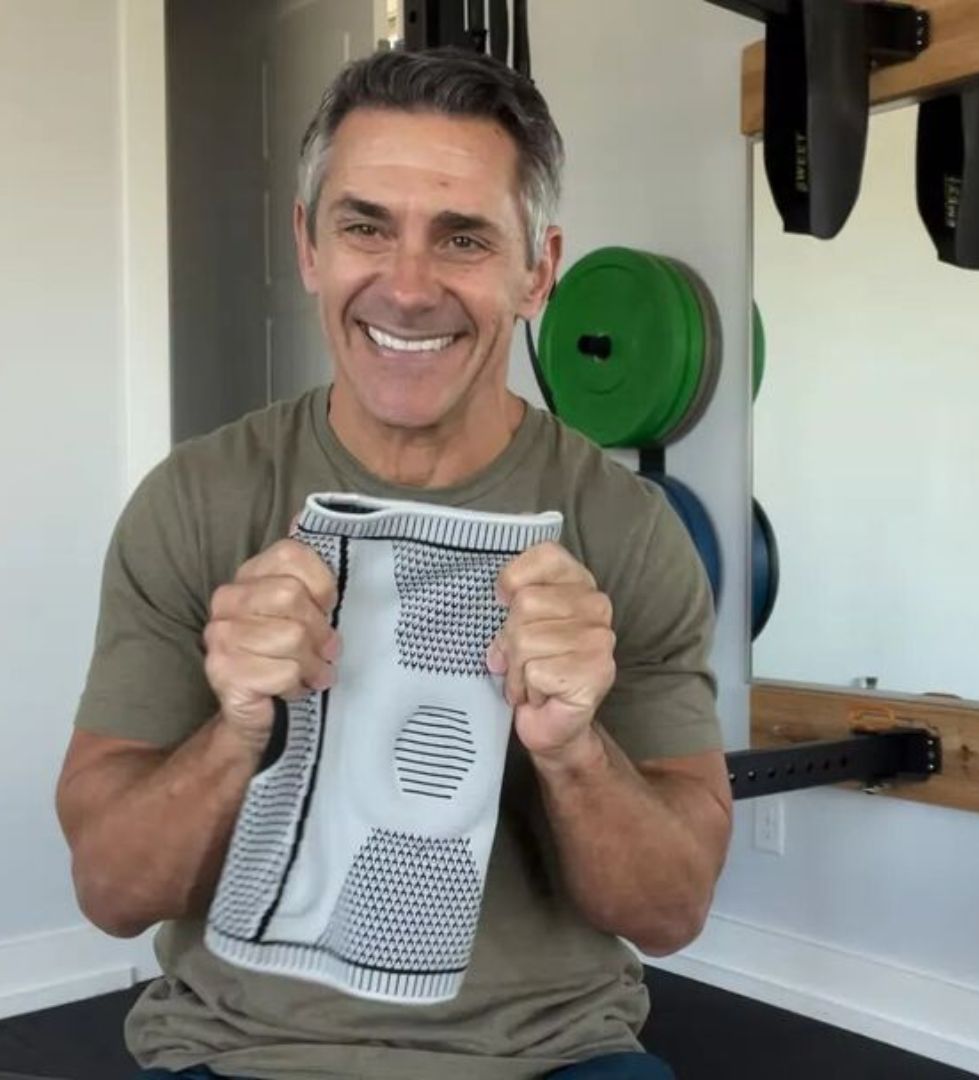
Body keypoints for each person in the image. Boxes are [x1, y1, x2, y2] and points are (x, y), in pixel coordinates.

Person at [56, 48, 732, 1080]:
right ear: (309, 245)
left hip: (549, 1054)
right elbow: (110, 892)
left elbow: (671, 912)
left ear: (537, 270)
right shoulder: (195, 501)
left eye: (463, 238)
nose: (408, 289)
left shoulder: (628, 531)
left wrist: (573, 751)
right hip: (239, 1051)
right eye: (365, 227)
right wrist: (237, 733)